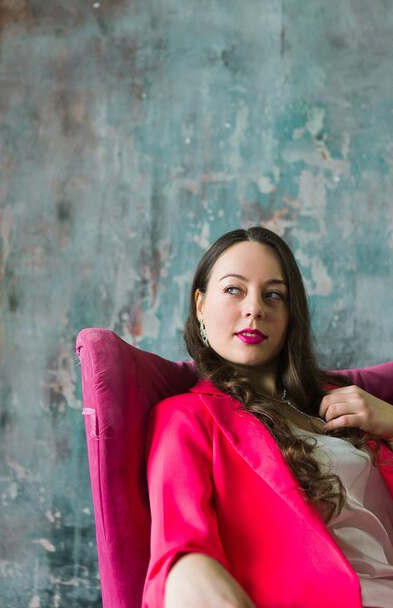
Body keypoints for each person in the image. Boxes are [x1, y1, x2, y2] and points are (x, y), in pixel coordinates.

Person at [142, 226, 393, 608]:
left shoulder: (349, 404)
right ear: (200, 305)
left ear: (291, 314)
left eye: (273, 294)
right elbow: (181, 557)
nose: (254, 308)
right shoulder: (187, 418)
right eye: (233, 289)